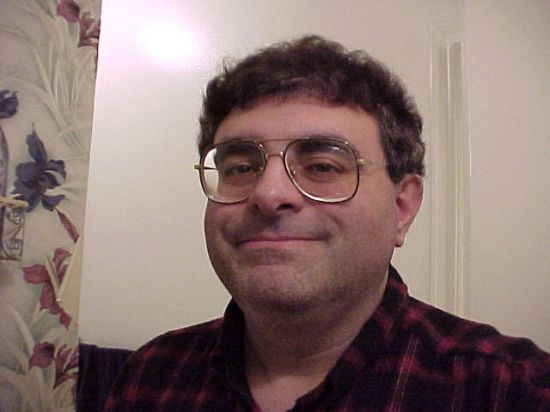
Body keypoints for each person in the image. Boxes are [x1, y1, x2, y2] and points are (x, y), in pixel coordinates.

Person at [103, 35, 550, 411]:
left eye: (322, 166)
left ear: (402, 207)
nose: (268, 194)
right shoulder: (151, 376)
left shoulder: (510, 390)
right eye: (240, 168)